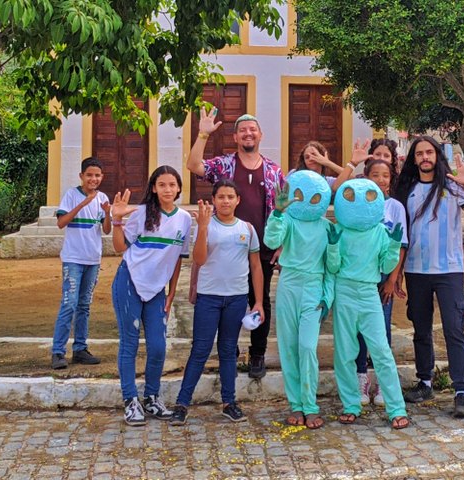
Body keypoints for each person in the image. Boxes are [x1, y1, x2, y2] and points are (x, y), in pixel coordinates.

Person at [186, 109, 285, 379]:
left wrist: (282, 244)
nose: (248, 133)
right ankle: (228, 352)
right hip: (224, 247)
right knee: (224, 300)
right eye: (243, 130)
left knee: (259, 300)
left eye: (253, 129)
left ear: (260, 135)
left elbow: (284, 208)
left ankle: (257, 354)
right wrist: (203, 133)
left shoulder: (274, 170)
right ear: (235, 136)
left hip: (261, 249)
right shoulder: (225, 165)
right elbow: (194, 166)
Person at [393, 135, 464, 418]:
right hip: (416, 270)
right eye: (419, 153)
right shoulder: (405, 189)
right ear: (413, 158)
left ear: (437, 155)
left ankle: (461, 391)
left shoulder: (453, 187)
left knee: (454, 329)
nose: (424, 157)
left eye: (429, 152)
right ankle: (425, 381)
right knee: (420, 329)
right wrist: (397, 274)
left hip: (449, 270)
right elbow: (400, 233)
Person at [170, 179, 265, 426]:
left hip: (236, 298)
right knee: (200, 350)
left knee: (228, 350)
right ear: (214, 200)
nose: (225, 201)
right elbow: (199, 259)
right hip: (209, 297)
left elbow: (255, 266)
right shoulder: (206, 226)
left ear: (238, 200)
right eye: (220, 197)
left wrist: (259, 303)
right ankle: (182, 403)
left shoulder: (247, 228)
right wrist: (202, 228)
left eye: (230, 197)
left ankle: (229, 402)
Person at [111, 166, 191, 426]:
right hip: (129, 282)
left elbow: (178, 259)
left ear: (179, 188)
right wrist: (116, 220)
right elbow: (119, 248)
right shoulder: (141, 213)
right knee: (130, 342)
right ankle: (130, 401)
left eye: (172, 184)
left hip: (157, 290)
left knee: (158, 346)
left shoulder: (185, 220)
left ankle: (152, 398)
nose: (167, 189)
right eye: (162, 185)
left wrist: (171, 292)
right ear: (154, 188)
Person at [328, 178, 410, 429]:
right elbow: (333, 266)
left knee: (382, 351)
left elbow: (385, 267)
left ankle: (396, 407)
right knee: (344, 353)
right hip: (343, 291)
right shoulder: (340, 231)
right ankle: (351, 404)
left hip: (368, 292)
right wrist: (332, 247)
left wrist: (394, 246)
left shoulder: (380, 232)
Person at [264, 170, 333, 430]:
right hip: (289, 284)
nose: (308, 201)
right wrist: (278, 213)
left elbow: (331, 267)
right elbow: (271, 240)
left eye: (315, 197)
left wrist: (328, 296)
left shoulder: (327, 227)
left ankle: (311, 404)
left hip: (314, 286)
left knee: (307, 346)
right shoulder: (289, 220)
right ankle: (296, 404)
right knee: (289, 347)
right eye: (302, 195)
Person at [355, 158, 407, 407]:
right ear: (366, 177)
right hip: (361, 276)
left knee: (382, 330)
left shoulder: (395, 207)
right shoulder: (357, 204)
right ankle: (361, 379)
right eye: (375, 174)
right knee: (360, 330)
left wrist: (393, 280)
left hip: (384, 277)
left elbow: (401, 245)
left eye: (385, 175)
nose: (381, 180)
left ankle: (383, 383)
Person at [51, 157, 111, 369]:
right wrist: (83, 204)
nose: (93, 179)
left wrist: (107, 213)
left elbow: (106, 230)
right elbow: (61, 223)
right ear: (81, 176)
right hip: (73, 259)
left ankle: (80, 349)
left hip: (92, 260)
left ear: (101, 177)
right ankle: (58, 352)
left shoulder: (102, 197)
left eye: (97, 175)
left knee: (84, 305)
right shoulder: (71, 195)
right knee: (69, 303)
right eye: (89, 175)